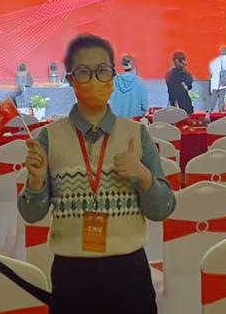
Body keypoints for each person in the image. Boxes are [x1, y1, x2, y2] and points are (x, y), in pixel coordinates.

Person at [20, 34, 175, 314]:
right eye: (83, 72)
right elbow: (31, 215)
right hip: (72, 273)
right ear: (70, 79)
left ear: (113, 75)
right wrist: (37, 180)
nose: (95, 80)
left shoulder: (136, 134)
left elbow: (163, 208)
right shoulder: (49, 138)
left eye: (102, 70)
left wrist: (144, 177)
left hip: (129, 271)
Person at [207, 47, 226, 113]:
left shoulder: (216, 60)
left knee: (214, 96)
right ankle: (220, 110)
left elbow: (211, 70)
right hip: (223, 81)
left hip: (215, 81)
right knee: (222, 97)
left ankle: (211, 109)